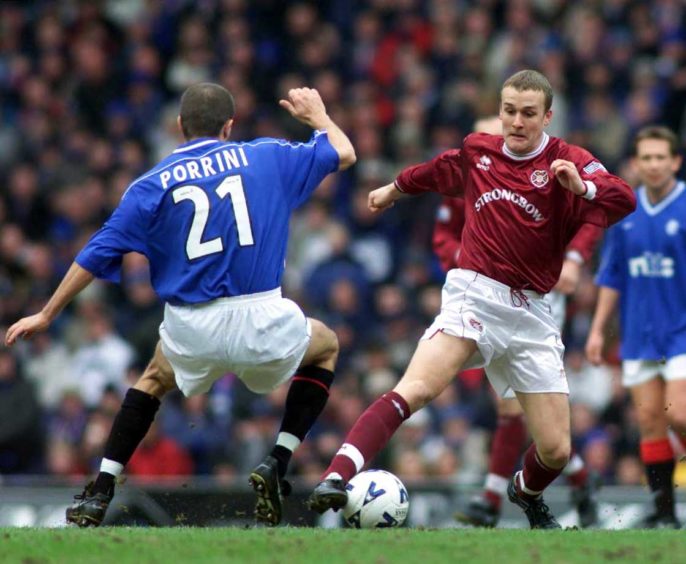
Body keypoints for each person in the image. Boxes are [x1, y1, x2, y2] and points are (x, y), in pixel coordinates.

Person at [5, 83, 356, 527]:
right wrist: (319, 117)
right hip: (262, 316)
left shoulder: (149, 184)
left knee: (152, 379)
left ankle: (101, 489)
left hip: (193, 326)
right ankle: (278, 460)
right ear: (229, 127)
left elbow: (94, 253)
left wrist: (47, 313)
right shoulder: (268, 155)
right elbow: (344, 153)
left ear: (179, 127)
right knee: (326, 346)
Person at [307, 69, 635, 529]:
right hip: (474, 296)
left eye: (527, 114)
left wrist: (582, 188)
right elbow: (435, 170)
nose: (516, 122)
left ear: (547, 117)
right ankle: (336, 477)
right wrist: (392, 189)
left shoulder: (568, 159)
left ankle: (523, 491)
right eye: (509, 111)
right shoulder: (479, 150)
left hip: (533, 313)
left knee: (556, 449)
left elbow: (623, 199)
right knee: (415, 389)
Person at [437, 118, 603, 529]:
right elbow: (443, 234)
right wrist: (469, 263)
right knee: (525, 408)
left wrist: (576, 260)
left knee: (520, 403)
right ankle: (577, 480)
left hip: (537, 296)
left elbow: (590, 215)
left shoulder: (551, 167)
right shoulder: (471, 170)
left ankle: (493, 497)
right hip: (478, 293)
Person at [586, 125, 686, 529]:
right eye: (646, 157)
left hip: (681, 332)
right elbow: (612, 277)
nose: (654, 164)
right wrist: (597, 330)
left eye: (661, 157)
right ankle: (664, 514)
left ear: (675, 162)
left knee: (679, 413)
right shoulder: (625, 212)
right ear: (635, 164)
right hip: (639, 336)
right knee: (649, 422)